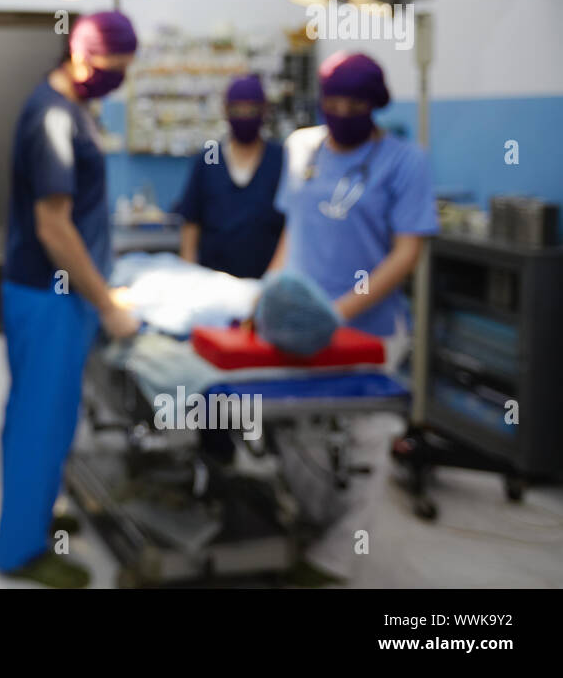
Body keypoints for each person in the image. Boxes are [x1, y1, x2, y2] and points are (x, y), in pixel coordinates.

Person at [267, 50, 438, 583]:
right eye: (332, 100)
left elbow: (407, 253)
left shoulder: (405, 161)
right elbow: (292, 230)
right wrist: (266, 294)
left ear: (376, 104)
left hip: (369, 330)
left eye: (354, 102)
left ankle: (336, 560)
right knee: (297, 434)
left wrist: (339, 311)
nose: (341, 110)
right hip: (299, 327)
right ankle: (312, 524)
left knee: (363, 446)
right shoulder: (303, 150)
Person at [0, 10, 140, 588]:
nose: (117, 80)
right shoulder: (53, 119)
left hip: (57, 293)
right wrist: (107, 303)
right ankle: (20, 553)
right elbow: (54, 227)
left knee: (43, 415)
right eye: (112, 70)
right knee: (41, 420)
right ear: (81, 57)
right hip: (48, 295)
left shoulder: (70, 108)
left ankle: (34, 514)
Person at [177, 74, 285, 278]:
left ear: (265, 110)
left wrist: (274, 282)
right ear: (225, 110)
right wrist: (188, 275)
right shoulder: (210, 157)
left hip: (265, 283)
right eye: (237, 110)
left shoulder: (280, 158)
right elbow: (191, 221)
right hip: (213, 284)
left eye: (252, 110)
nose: (244, 116)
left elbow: (291, 228)